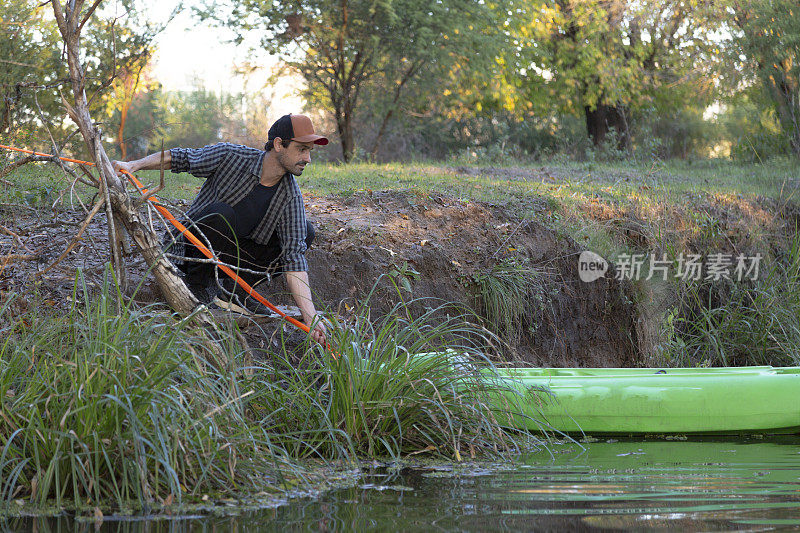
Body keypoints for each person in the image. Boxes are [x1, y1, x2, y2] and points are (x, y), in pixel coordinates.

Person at [112, 113, 328, 344]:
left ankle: (236, 291)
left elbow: (293, 258)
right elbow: (181, 158)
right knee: (220, 214)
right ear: (278, 144)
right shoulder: (232, 156)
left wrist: (311, 317)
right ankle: (199, 285)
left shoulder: (291, 195)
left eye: (309, 151)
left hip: (231, 258)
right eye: (302, 149)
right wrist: (133, 165)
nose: (307, 158)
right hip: (192, 247)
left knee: (306, 232)